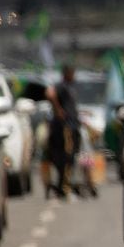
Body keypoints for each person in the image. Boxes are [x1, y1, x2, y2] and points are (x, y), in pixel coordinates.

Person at [45, 64, 81, 200]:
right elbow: (49, 93)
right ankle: (63, 187)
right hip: (65, 127)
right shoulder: (62, 86)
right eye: (71, 72)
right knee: (65, 157)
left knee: (71, 157)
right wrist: (58, 109)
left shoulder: (72, 86)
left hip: (73, 126)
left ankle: (65, 185)